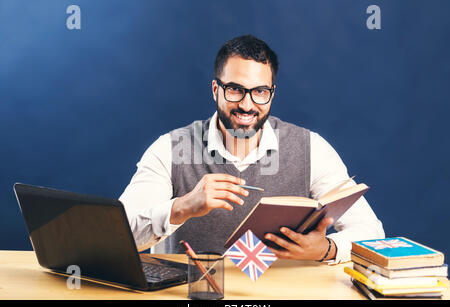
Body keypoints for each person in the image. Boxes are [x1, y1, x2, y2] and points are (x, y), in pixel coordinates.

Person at [119, 35, 384, 264]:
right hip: (195, 298)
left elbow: (370, 231)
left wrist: (327, 249)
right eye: (235, 89)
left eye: (259, 91)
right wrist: (181, 207)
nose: (247, 105)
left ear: (272, 93)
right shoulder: (170, 148)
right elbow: (118, 235)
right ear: (215, 90)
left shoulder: (311, 148)